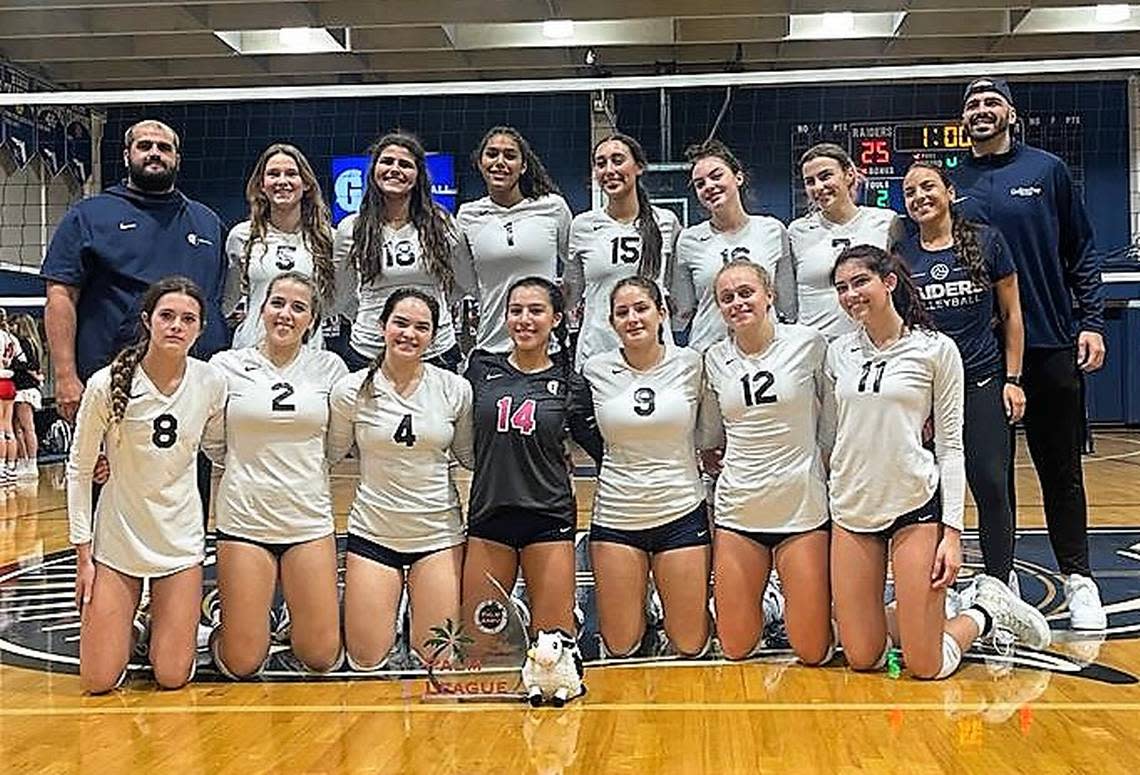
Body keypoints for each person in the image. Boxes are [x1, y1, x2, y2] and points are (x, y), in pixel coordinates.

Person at [825, 245, 1050, 680]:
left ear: (888, 282)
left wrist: (952, 532)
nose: (851, 294)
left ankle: (987, 609)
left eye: (860, 282)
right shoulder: (838, 353)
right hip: (853, 507)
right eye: (841, 288)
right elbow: (836, 433)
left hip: (914, 505)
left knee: (925, 665)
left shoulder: (935, 350)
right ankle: (916, 611)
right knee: (862, 656)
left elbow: (950, 447)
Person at [953, 76, 1107, 630]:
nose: (981, 110)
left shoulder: (1047, 171)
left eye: (992, 102)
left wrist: (1091, 322)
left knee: (1059, 466)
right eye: (972, 104)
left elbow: (1081, 248)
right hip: (983, 357)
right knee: (992, 473)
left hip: (1049, 341)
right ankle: (1001, 577)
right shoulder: (955, 184)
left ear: (1012, 115)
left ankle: (1078, 576)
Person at [67, 276, 227, 693]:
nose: (176, 325)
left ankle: (166, 622)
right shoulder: (107, 383)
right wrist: (84, 557)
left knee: (172, 677)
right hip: (119, 540)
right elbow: (79, 471)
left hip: (179, 541)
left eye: (188, 318)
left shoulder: (211, 382)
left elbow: (221, 448)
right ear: (148, 320)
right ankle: (132, 626)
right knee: (97, 681)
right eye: (167, 316)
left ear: (200, 328)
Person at [203, 271, 346, 678]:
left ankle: (288, 616)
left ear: (312, 320)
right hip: (245, 519)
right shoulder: (226, 366)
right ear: (261, 309)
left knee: (320, 657)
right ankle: (220, 622)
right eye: (277, 303)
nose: (286, 314)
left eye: (298, 307)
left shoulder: (328, 367)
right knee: (243, 662)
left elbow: (334, 446)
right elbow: (214, 443)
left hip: (307, 519)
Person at [42, 119, 228, 424]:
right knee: (108, 471)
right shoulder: (88, 216)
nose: (154, 153)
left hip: (193, 388)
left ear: (177, 159)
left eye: (164, 148)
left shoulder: (207, 222)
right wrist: (65, 376)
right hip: (113, 381)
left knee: (192, 472)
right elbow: (60, 295)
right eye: (144, 146)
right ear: (127, 155)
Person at [327, 288, 473, 670]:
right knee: (365, 658)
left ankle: (418, 612)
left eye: (421, 327)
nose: (409, 334)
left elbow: (469, 457)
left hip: (437, 535)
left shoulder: (454, 389)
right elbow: (327, 456)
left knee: (438, 660)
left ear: (434, 336)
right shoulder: (351, 390)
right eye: (401, 324)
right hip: (374, 533)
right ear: (383, 327)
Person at [898, 161, 1026, 589]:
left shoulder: (988, 242)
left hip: (982, 379)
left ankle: (999, 582)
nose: (919, 197)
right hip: (928, 392)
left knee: (990, 480)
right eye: (910, 191)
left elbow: (1011, 315)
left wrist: (1014, 378)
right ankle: (938, 583)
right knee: (931, 490)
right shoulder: (904, 255)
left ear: (949, 192)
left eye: (928, 186)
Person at [700, 259, 832, 664]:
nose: (737, 303)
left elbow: (832, 418)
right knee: (736, 648)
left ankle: (788, 599)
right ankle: (771, 602)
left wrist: (820, 467)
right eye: (727, 298)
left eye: (746, 293)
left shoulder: (809, 344)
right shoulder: (714, 358)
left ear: (770, 295)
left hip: (801, 510)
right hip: (740, 511)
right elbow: (709, 435)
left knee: (812, 651)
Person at [461, 277, 600, 647]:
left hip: (547, 519)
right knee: (480, 648)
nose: (525, 319)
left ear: (556, 319)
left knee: (552, 648)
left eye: (536, 311)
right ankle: (515, 614)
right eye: (516, 311)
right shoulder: (479, 371)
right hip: (490, 516)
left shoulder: (570, 383)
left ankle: (556, 613)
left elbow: (603, 449)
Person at [577, 276, 710, 658]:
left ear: (662, 313)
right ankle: (645, 615)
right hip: (618, 517)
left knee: (689, 643)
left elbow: (711, 426)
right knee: (620, 645)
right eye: (622, 312)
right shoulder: (595, 369)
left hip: (680, 511)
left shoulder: (691, 363)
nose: (632, 318)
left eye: (641, 309)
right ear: (612, 322)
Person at [334, 132, 470, 372]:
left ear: (418, 177)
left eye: (405, 164)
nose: (395, 169)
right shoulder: (351, 228)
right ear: (374, 170)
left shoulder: (442, 224)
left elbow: (464, 282)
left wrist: (431, 309)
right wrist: (376, 318)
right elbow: (342, 296)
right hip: (371, 351)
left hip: (434, 351)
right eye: (387, 161)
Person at [564, 133, 681, 369]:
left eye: (618, 160)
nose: (609, 169)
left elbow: (674, 289)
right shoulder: (582, 226)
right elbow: (572, 293)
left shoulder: (666, 222)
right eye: (601, 163)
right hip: (597, 353)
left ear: (639, 167)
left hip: (654, 354)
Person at [671, 139, 794, 353]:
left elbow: (787, 303)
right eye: (700, 184)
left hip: (766, 353)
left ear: (738, 177)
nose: (709, 186)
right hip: (709, 351)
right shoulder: (688, 240)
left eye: (716, 176)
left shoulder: (773, 230)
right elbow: (682, 311)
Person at [457, 127, 573, 355]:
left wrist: (558, 304)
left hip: (546, 350)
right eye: (492, 154)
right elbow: (466, 280)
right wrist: (491, 297)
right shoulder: (467, 215)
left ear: (523, 166)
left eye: (510, 156)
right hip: (492, 346)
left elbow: (576, 265)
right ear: (480, 163)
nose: (500, 162)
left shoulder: (553, 207)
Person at [223, 143, 335, 351]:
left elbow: (340, 298)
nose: (282, 181)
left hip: (308, 352)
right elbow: (228, 300)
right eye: (273, 174)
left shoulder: (328, 239)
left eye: (291, 174)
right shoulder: (241, 236)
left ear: (307, 184)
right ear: (261, 185)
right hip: (250, 350)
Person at [789, 143, 903, 341]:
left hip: (872, 344)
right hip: (814, 348)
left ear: (849, 174)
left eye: (825, 176)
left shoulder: (886, 222)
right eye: (810, 181)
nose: (818, 187)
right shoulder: (796, 231)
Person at [10, 314, 43, 482]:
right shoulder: (32, 343)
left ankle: (31, 462)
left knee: (26, 427)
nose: (11, 328)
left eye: (14, 325)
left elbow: (29, 365)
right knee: (17, 428)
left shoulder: (24, 343)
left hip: (25, 389)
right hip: (21, 388)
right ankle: (23, 461)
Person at [0, 309, 26, 490]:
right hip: (10, 383)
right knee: (8, 427)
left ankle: (0, 468)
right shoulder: (11, 338)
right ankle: (11, 467)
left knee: (0, 429)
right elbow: (22, 360)